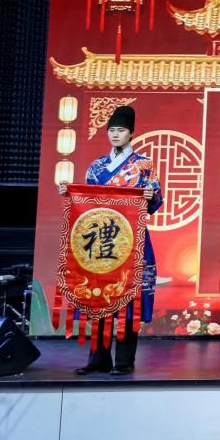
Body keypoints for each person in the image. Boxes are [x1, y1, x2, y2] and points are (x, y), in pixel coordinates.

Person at [59, 105, 162, 376]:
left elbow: (155, 200)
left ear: (131, 133)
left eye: (121, 130)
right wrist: (70, 192)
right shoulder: (97, 166)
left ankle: (125, 361)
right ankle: (99, 359)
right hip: (102, 239)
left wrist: (150, 196)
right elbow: (88, 200)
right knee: (100, 296)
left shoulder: (144, 165)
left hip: (131, 239)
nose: (115, 135)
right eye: (112, 130)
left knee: (128, 296)